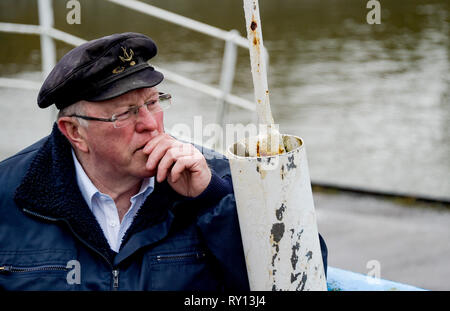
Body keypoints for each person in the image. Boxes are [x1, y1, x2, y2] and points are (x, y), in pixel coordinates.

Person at [0, 32, 327, 290]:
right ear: (75, 131)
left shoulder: (216, 179)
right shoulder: (10, 194)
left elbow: (300, 278)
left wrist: (212, 199)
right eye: (126, 112)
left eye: (153, 102)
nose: (150, 123)